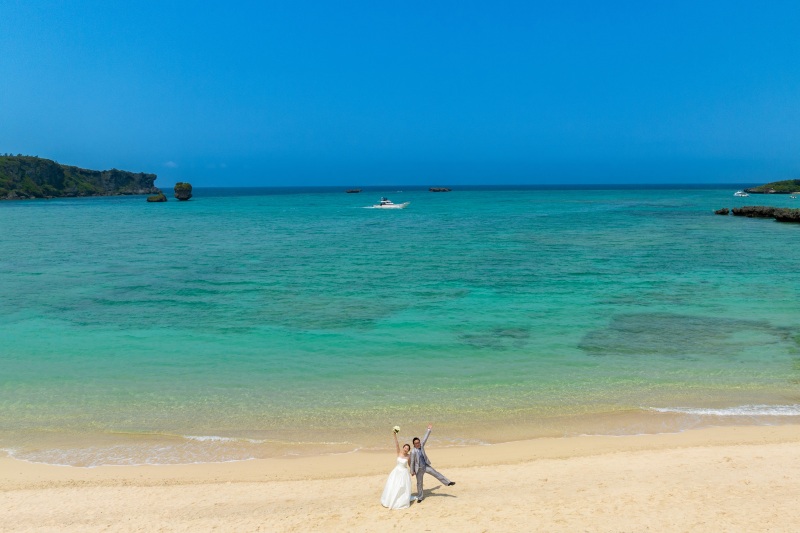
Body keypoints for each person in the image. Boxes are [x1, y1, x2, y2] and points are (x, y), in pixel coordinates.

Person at [410, 424, 455, 503]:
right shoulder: (413, 451)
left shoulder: (422, 445)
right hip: (419, 469)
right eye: (416, 443)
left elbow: (425, 438)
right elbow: (412, 462)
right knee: (419, 483)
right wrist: (412, 471)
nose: (418, 444)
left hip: (426, 466)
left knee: (436, 473)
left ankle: (448, 482)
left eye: (418, 442)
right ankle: (420, 497)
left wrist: (428, 430)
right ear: (413, 444)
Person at [380, 429, 413, 509]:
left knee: (401, 487)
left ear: (408, 450)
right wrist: (394, 435)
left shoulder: (409, 456)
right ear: (403, 448)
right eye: (405, 447)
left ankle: (400, 501)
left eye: (407, 448)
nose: (406, 449)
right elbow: (397, 444)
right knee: (393, 485)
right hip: (396, 472)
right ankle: (390, 500)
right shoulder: (399, 452)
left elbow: (409, 465)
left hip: (404, 473)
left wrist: (412, 471)